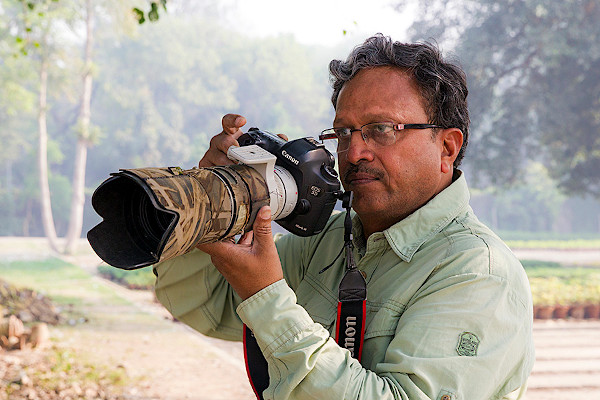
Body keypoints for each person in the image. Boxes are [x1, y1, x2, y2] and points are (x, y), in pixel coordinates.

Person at [153, 34, 535, 399]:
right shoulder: (328, 239)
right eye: (344, 133)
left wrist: (267, 298)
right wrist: (209, 207)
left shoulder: (478, 272)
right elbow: (203, 305)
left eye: (382, 129)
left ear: (447, 147)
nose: (354, 153)